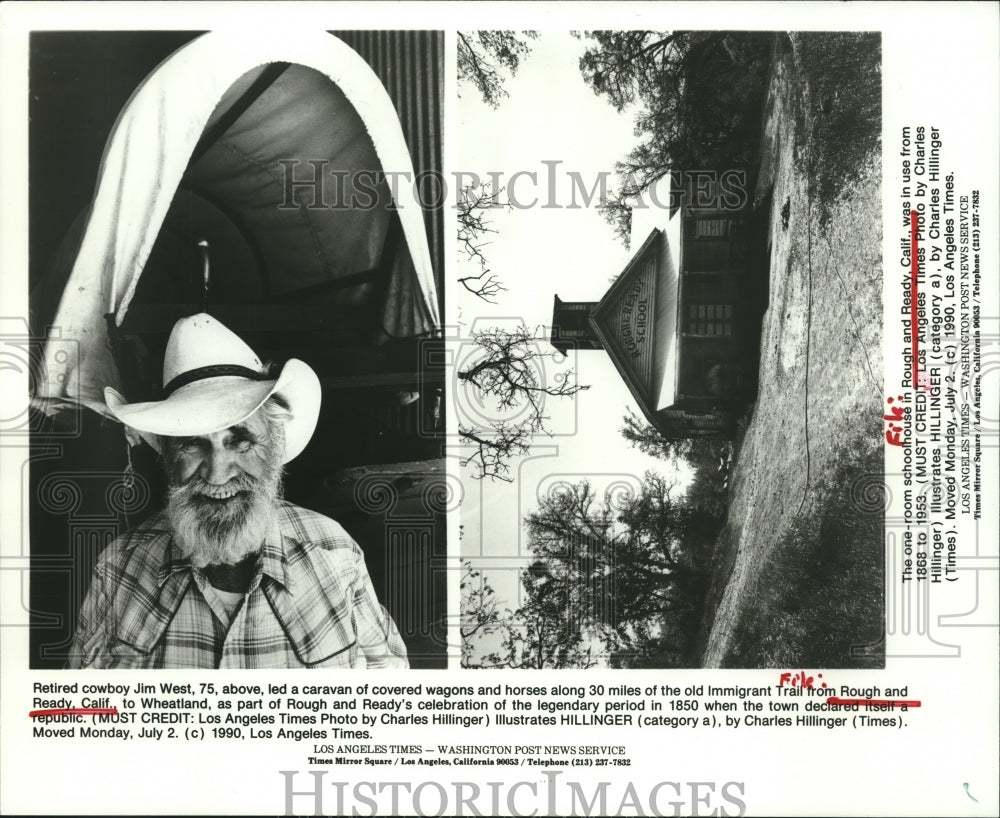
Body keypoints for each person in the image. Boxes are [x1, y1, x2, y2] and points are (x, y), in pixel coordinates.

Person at [67, 313, 408, 669]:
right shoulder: (119, 567)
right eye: (191, 444)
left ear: (275, 447)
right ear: (167, 458)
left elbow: (390, 689)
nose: (217, 475)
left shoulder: (334, 553)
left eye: (240, 440)